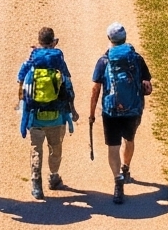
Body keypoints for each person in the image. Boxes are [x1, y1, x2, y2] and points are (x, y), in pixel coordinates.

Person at [89, 23, 155, 202]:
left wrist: (92, 113)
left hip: (111, 112)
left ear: (109, 39)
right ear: (125, 38)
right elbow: (147, 85)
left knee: (113, 147)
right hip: (133, 109)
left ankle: (118, 181)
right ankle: (126, 168)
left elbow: (96, 89)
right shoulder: (136, 58)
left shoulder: (104, 60)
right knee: (129, 140)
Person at [19, 26, 77, 198]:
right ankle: (53, 177)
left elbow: (20, 80)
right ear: (54, 42)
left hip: (35, 116)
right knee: (55, 148)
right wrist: (72, 110)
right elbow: (68, 86)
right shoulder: (58, 61)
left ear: (39, 42)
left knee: (36, 149)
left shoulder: (32, 60)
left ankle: (36, 184)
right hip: (56, 117)